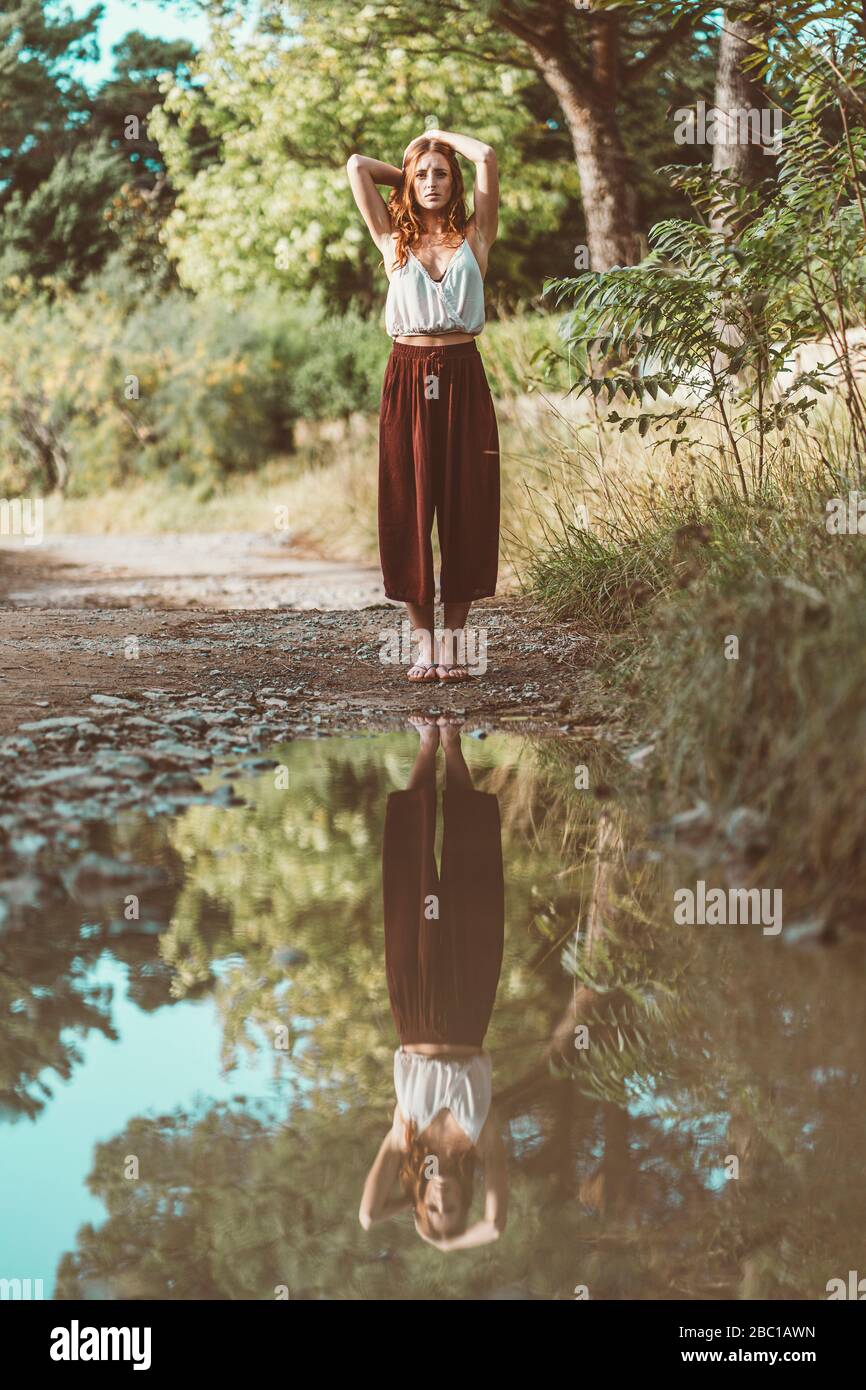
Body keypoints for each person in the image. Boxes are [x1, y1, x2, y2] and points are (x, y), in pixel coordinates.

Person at [346, 130, 500, 681]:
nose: (431, 183)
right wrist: (410, 162)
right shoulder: (392, 241)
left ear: (455, 182)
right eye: (421, 176)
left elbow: (484, 156)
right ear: (409, 184)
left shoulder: (476, 237)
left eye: (440, 174)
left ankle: (455, 645)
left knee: (467, 504)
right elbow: (357, 165)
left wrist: (439, 141)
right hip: (407, 378)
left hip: (463, 375)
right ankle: (423, 645)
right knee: (408, 504)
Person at [359, 718, 508, 1249]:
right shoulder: (480, 1142)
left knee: (409, 878)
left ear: (422, 1202)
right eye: (455, 1206)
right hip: (470, 1002)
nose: (444, 1198)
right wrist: (453, 1242)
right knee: (474, 877)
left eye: (434, 1208)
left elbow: (369, 1217)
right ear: (467, 1196)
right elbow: (496, 1225)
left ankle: (425, 743)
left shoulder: (406, 1138)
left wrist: (426, 1228)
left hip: (415, 1004)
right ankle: (454, 746)